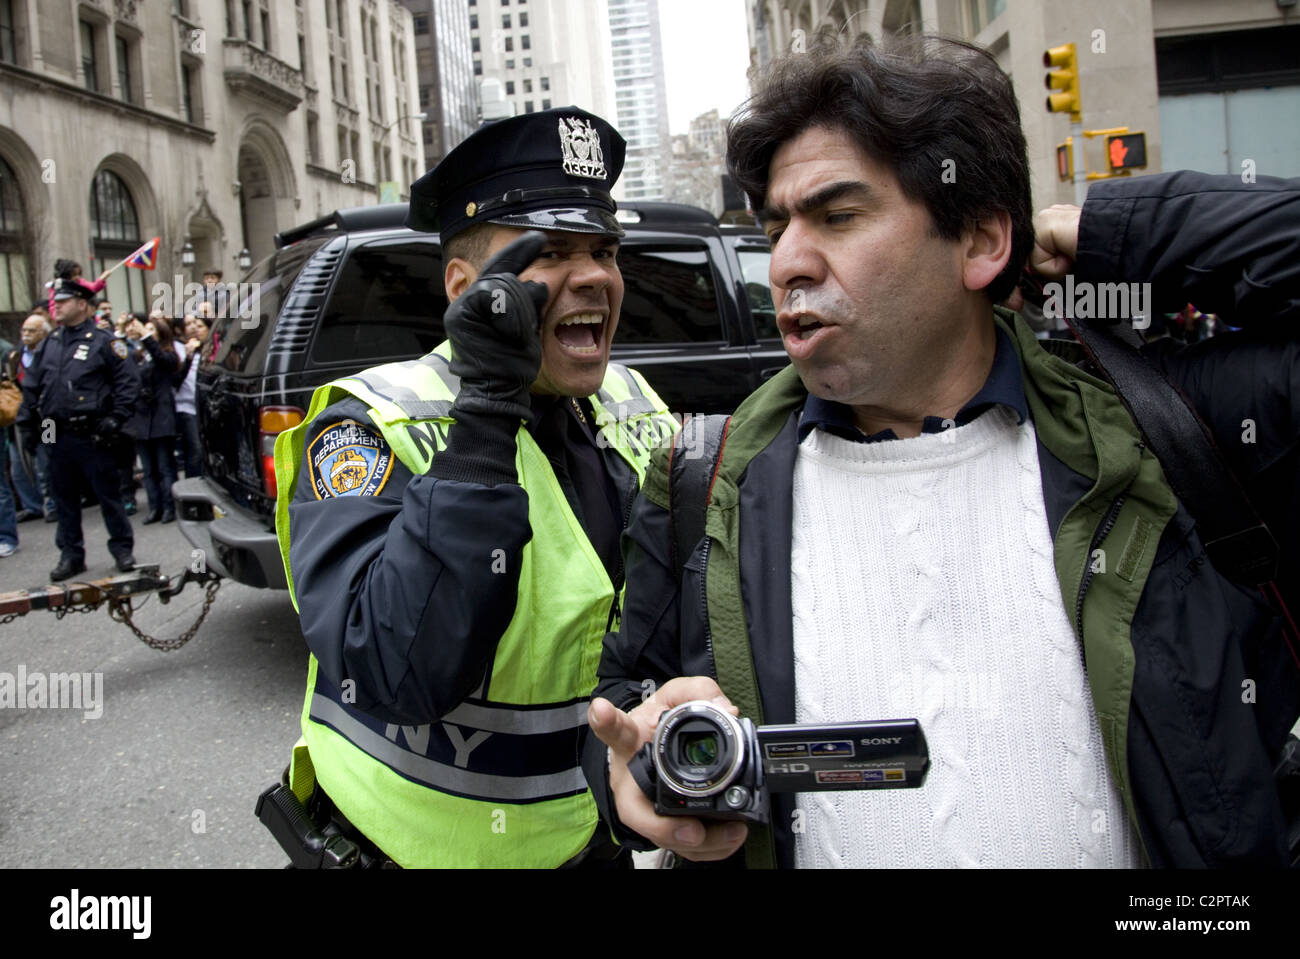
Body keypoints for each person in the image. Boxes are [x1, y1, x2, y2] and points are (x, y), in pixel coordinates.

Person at [586, 33, 1300, 868]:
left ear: (981, 241)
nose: (784, 262)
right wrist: (636, 770)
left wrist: (1107, 229)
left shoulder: (1170, 432)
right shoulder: (702, 480)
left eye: (838, 216)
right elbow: (623, 708)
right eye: (775, 225)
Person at [270, 106, 679, 868]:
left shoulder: (636, 403)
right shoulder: (366, 426)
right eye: (551, 251)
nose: (591, 275)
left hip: (596, 840)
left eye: (605, 250)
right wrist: (487, 407)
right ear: (464, 287)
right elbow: (397, 670)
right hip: (408, 850)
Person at [19, 279, 139, 580]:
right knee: (63, 498)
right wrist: (28, 426)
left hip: (93, 433)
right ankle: (71, 555)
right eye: (54, 301)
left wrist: (117, 417)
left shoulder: (104, 341)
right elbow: (32, 386)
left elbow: (128, 382)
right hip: (54, 431)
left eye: (63, 301)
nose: (55, 305)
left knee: (108, 495)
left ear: (82, 304)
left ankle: (122, 550)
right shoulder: (50, 342)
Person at [124, 311, 181, 523]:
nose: (145, 333)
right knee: (148, 470)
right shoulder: (139, 356)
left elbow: (162, 359)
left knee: (165, 466)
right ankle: (154, 507)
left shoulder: (167, 354)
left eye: (151, 330)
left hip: (161, 417)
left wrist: (146, 338)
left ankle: (169, 507)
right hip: (142, 418)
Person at [5, 314, 54, 521]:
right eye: (24, 331)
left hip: (48, 418)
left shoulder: (52, 352)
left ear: (43, 333)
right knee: (20, 464)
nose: (26, 335)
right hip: (24, 417)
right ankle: (32, 505)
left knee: (48, 461)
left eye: (31, 331)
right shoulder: (14, 356)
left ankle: (54, 504)